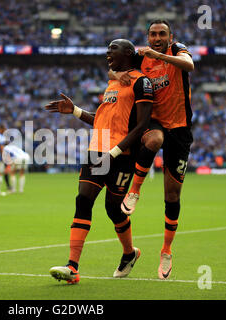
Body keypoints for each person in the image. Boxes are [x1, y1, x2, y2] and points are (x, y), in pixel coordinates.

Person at [45, 39, 153, 284]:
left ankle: (129, 253)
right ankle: (72, 267)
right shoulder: (113, 82)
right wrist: (75, 111)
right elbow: (102, 121)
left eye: (112, 49)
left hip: (122, 156)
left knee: (113, 209)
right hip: (97, 151)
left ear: (127, 53)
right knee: (83, 199)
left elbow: (142, 125)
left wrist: (114, 152)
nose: (107, 53)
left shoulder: (141, 82)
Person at [110, 19, 194, 280]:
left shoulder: (177, 49)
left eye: (162, 34)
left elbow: (190, 65)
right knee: (153, 140)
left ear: (171, 36)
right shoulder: (139, 57)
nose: (157, 38)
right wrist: (116, 75)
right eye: (153, 34)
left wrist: (159, 55)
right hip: (155, 122)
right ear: (147, 36)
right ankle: (135, 190)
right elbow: (113, 69)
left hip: (179, 128)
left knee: (172, 196)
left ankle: (166, 250)